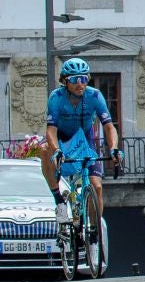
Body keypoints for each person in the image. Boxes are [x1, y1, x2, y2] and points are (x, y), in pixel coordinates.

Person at [37, 58, 120, 227]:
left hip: (84, 138)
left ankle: (94, 231)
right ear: (65, 81)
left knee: (96, 187)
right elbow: (50, 130)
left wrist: (114, 149)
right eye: (75, 79)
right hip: (61, 137)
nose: (80, 84)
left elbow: (109, 127)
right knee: (45, 149)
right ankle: (59, 201)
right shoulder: (56, 97)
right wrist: (57, 151)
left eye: (84, 79)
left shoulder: (95, 95)